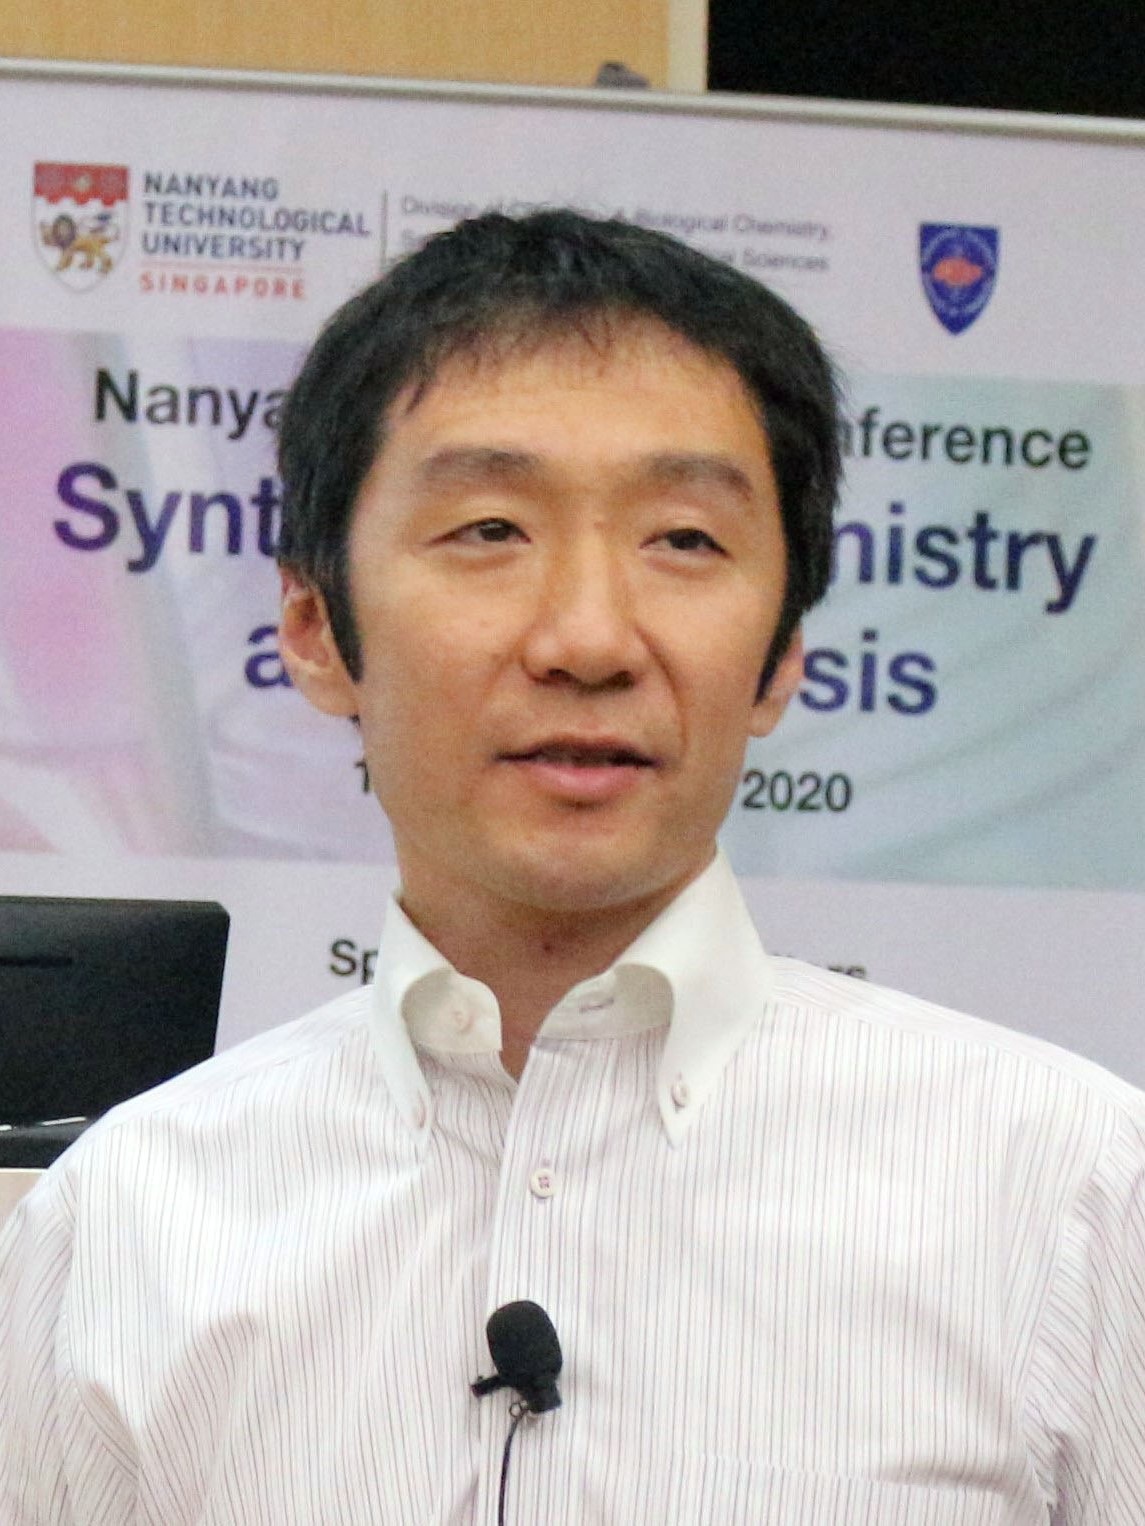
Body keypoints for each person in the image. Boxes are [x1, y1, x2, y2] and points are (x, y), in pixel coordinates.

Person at [2, 210, 1142, 1525]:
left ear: (782, 654)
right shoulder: (123, 1224)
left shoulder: (1067, 1191)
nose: (589, 640)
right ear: (314, 628)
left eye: (684, 539)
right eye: (489, 528)